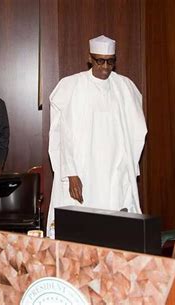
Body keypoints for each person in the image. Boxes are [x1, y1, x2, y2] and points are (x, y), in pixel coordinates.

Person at [47, 35, 148, 232]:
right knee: (80, 226)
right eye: (99, 61)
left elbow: (138, 131)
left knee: (115, 228)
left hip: (114, 170)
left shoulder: (125, 87)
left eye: (110, 61)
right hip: (81, 170)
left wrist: (128, 165)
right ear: (90, 59)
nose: (105, 67)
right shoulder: (71, 86)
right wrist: (71, 173)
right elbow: (60, 133)